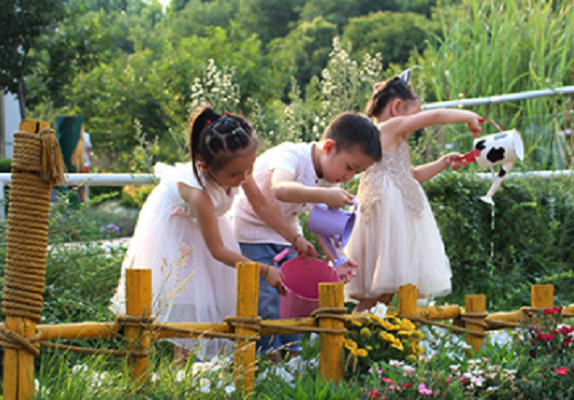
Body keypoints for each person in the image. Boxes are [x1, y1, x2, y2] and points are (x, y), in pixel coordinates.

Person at [110, 107, 315, 361]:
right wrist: (263, 270)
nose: (243, 178)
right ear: (205, 167)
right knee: (189, 300)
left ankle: (209, 368)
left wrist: (295, 238)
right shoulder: (200, 195)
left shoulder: (241, 170)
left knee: (219, 296)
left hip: (209, 227)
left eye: (248, 169)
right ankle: (181, 367)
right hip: (178, 230)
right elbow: (217, 250)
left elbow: (262, 206)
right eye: (234, 175)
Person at [232, 111, 382, 358]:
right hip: (251, 231)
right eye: (349, 168)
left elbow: (323, 225)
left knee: (292, 297)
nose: (348, 177)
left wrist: (339, 259)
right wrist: (324, 195)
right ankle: (269, 361)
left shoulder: (331, 179)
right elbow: (281, 189)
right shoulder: (291, 155)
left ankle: (293, 357)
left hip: (287, 234)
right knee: (266, 299)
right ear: (329, 148)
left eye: (356, 173)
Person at [344, 69, 482, 312]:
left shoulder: (388, 139)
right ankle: (356, 339)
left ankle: (372, 340)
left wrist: (442, 163)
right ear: (397, 107)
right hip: (389, 218)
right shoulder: (389, 128)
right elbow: (437, 115)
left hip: (395, 216)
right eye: (414, 115)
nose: (416, 122)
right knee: (380, 292)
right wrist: (467, 116)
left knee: (383, 295)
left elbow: (414, 175)